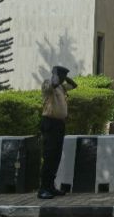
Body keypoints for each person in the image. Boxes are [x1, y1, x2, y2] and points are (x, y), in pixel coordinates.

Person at [38, 65, 77, 200]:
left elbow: (75, 85)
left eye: (63, 76)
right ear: (55, 75)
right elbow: (52, 84)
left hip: (59, 124)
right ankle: (43, 189)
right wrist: (56, 76)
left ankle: (51, 187)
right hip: (49, 123)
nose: (61, 78)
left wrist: (65, 77)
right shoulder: (48, 84)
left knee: (56, 157)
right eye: (60, 75)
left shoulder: (61, 87)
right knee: (49, 157)